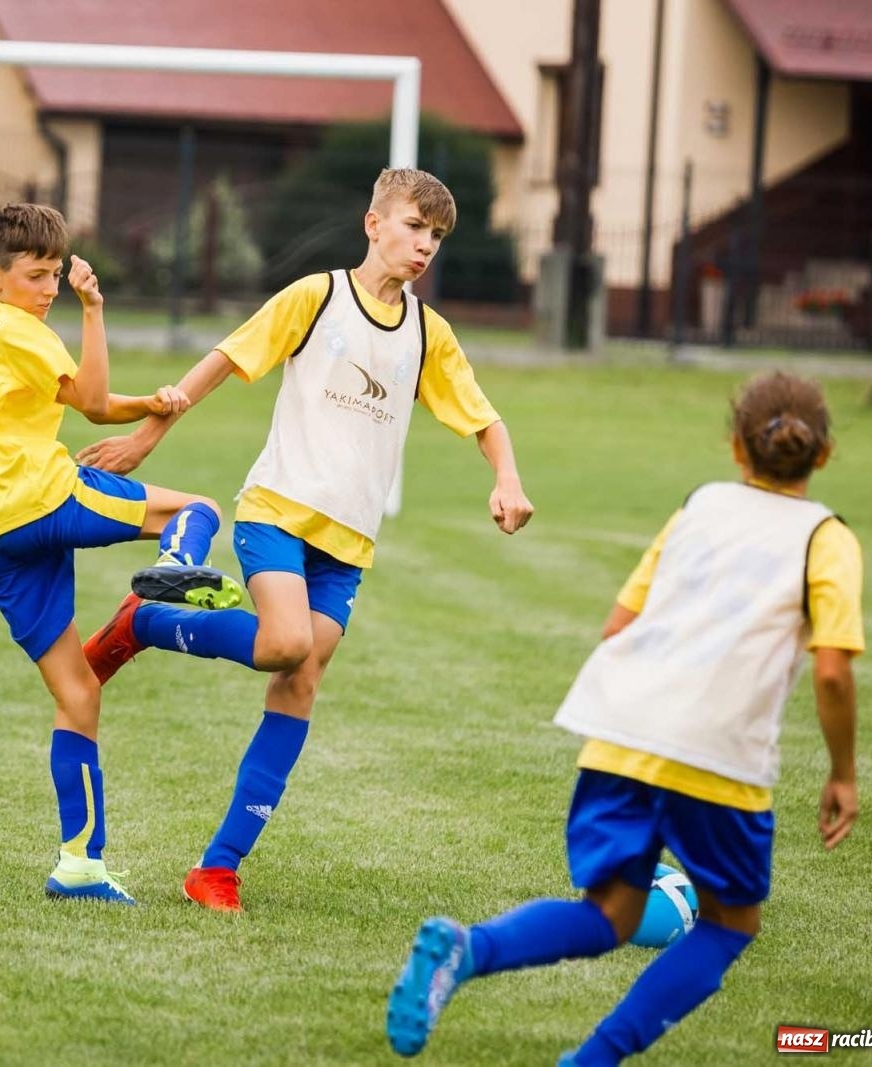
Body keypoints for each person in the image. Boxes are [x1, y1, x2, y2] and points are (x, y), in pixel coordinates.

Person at [78, 168, 533, 913]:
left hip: (348, 544)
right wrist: (146, 435)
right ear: (374, 224)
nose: (425, 246)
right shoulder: (316, 297)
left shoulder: (429, 334)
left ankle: (216, 868)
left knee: (300, 678)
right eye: (415, 227)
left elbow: (485, 418)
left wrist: (506, 479)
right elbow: (225, 359)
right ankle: (148, 620)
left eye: (437, 237)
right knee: (288, 643)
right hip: (277, 511)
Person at [385, 370, 862, 1065]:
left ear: (736, 447)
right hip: (717, 753)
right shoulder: (827, 538)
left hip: (622, 733)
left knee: (610, 912)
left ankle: (469, 946)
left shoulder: (698, 507)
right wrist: (843, 772)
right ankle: (592, 1059)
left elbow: (618, 626)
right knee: (731, 923)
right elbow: (830, 669)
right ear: (824, 453)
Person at [0, 203, 243, 905]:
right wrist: (92, 308)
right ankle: (174, 571)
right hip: (42, 496)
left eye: (56, 274)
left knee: (79, 692)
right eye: (35, 275)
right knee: (198, 508)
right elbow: (86, 400)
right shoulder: (22, 326)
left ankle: (79, 863)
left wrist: (155, 402)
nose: (48, 287)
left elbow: (89, 400)